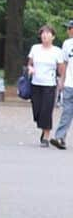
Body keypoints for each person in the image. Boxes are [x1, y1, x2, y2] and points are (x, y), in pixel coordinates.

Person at [26, 24, 64, 146]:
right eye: (42, 33)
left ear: (53, 37)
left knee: (46, 111)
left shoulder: (57, 51)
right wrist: (30, 69)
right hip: (36, 83)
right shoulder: (35, 48)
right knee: (37, 111)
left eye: (47, 34)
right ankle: (43, 127)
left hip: (50, 84)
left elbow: (61, 69)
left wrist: (61, 81)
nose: (44, 36)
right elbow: (29, 64)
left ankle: (46, 137)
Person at [49, 20, 73, 149]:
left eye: (70, 28)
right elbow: (64, 64)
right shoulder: (67, 44)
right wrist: (62, 81)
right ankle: (60, 137)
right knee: (67, 112)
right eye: (68, 28)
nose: (68, 31)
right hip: (70, 83)